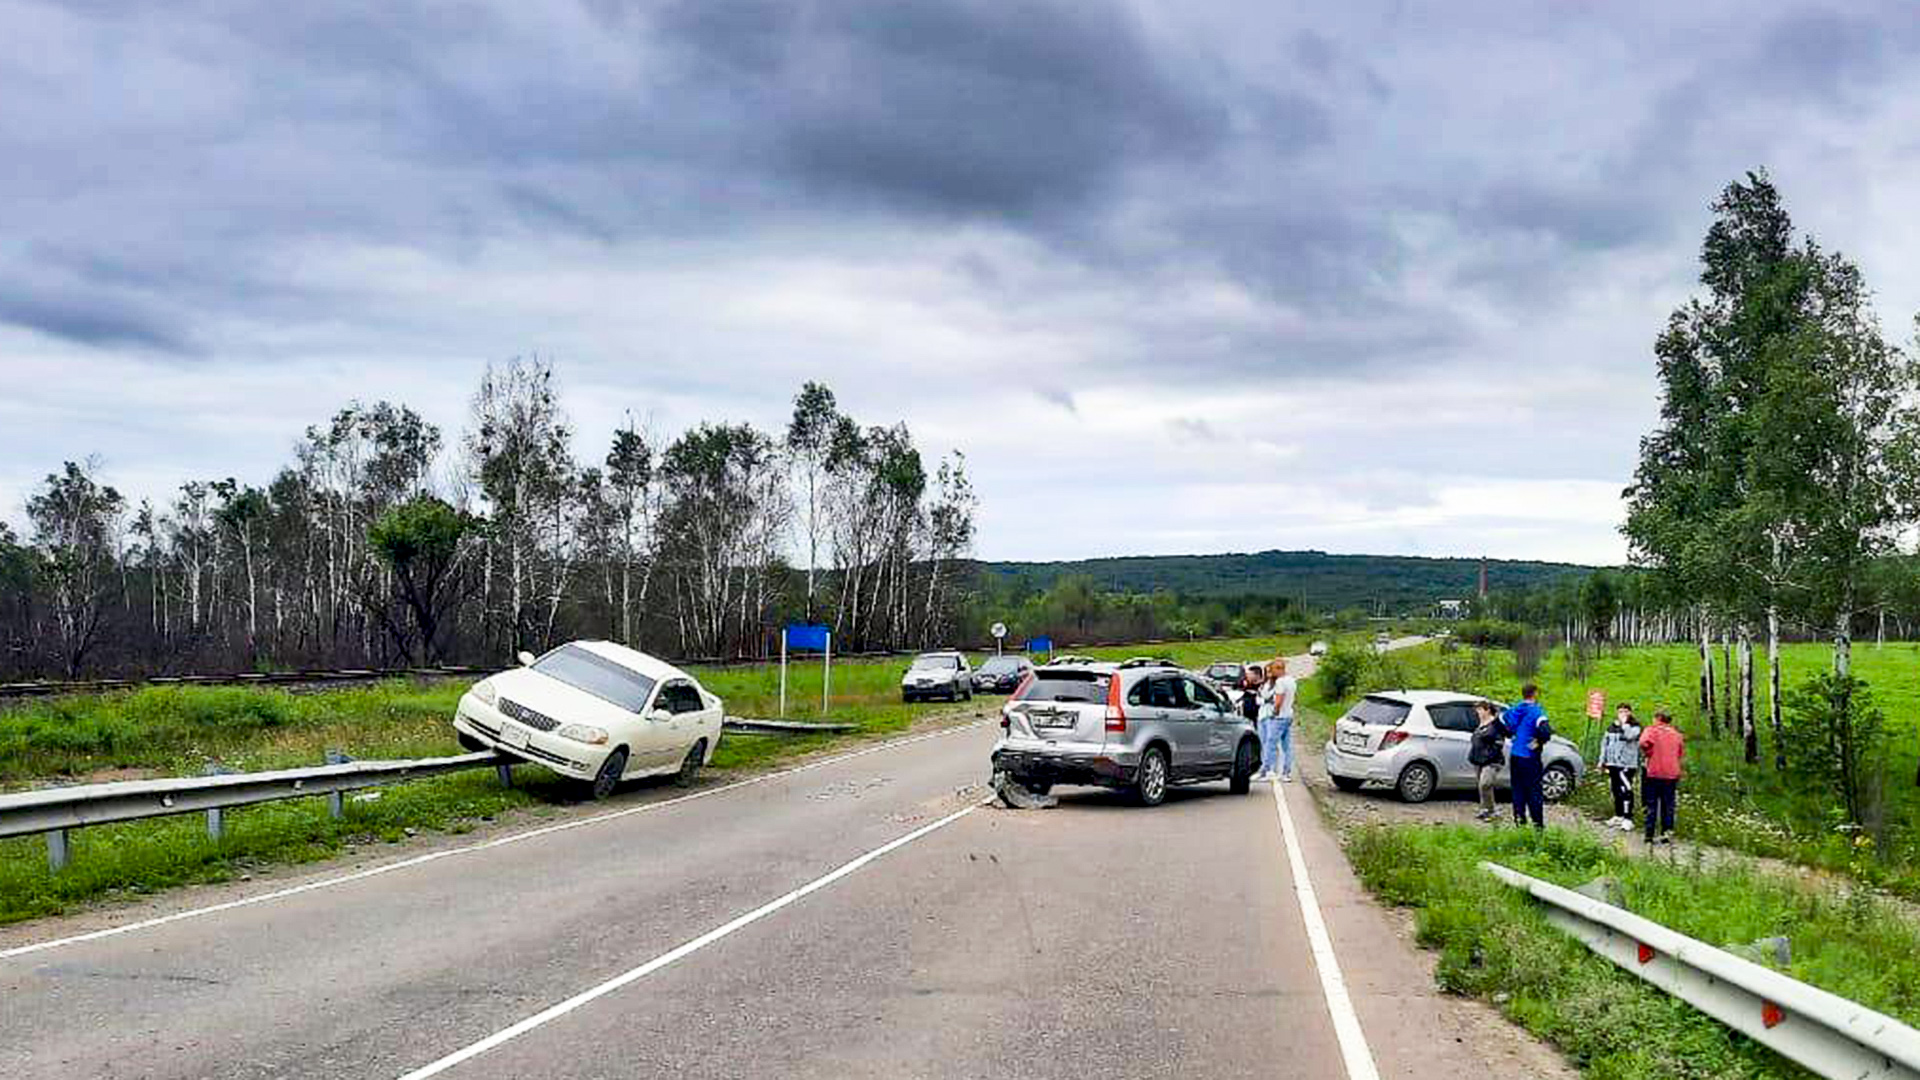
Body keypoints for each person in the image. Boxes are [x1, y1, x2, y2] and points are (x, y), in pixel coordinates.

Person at [1503, 683, 1551, 830]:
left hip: (1515, 755)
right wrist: (1539, 742)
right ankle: (1538, 827)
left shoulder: (1515, 709)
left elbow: (1504, 724)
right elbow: (1546, 731)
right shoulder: (1536, 711)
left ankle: (1520, 824)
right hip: (1529, 757)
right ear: (1535, 693)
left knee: (1518, 791)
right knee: (1534, 792)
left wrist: (1514, 735)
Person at [1639, 710, 1685, 845]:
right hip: (1672, 773)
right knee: (1668, 804)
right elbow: (1680, 753)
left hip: (1654, 771)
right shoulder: (1677, 734)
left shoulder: (1651, 730)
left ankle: (1649, 835)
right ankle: (1667, 833)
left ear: (1658, 719)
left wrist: (1649, 752)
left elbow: (1643, 742)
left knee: (1652, 804)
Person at [1598, 704, 1643, 832]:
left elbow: (1629, 736)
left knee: (1626, 790)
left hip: (1626, 764)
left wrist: (1625, 724)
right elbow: (1604, 744)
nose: (1622, 714)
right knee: (1615, 789)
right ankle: (1618, 815)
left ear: (1630, 713)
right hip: (1613, 763)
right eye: (1620, 711)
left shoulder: (1635, 727)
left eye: (1625, 711)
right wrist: (1602, 761)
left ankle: (1628, 818)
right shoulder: (1611, 727)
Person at [1257, 658, 1297, 782]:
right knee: (1287, 745)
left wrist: (1275, 713)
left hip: (1279, 717)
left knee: (1270, 744)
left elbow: (1278, 701)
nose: (1271, 673)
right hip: (1288, 715)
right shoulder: (1292, 681)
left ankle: (1266, 771)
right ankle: (1286, 772)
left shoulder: (1280, 682)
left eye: (1273, 669)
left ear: (1279, 669)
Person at [1468, 700, 1508, 822]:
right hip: (1478, 760)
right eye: (1477, 710)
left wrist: (1488, 755)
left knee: (1485, 784)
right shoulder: (1481, 723)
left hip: (1492, 761)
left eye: (1480, 710)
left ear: (1487, 710)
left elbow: (1499, 742)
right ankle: (1485, 810)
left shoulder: (1496, 724)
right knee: (1483, 787)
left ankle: (1492, 812)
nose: (1478, 712)